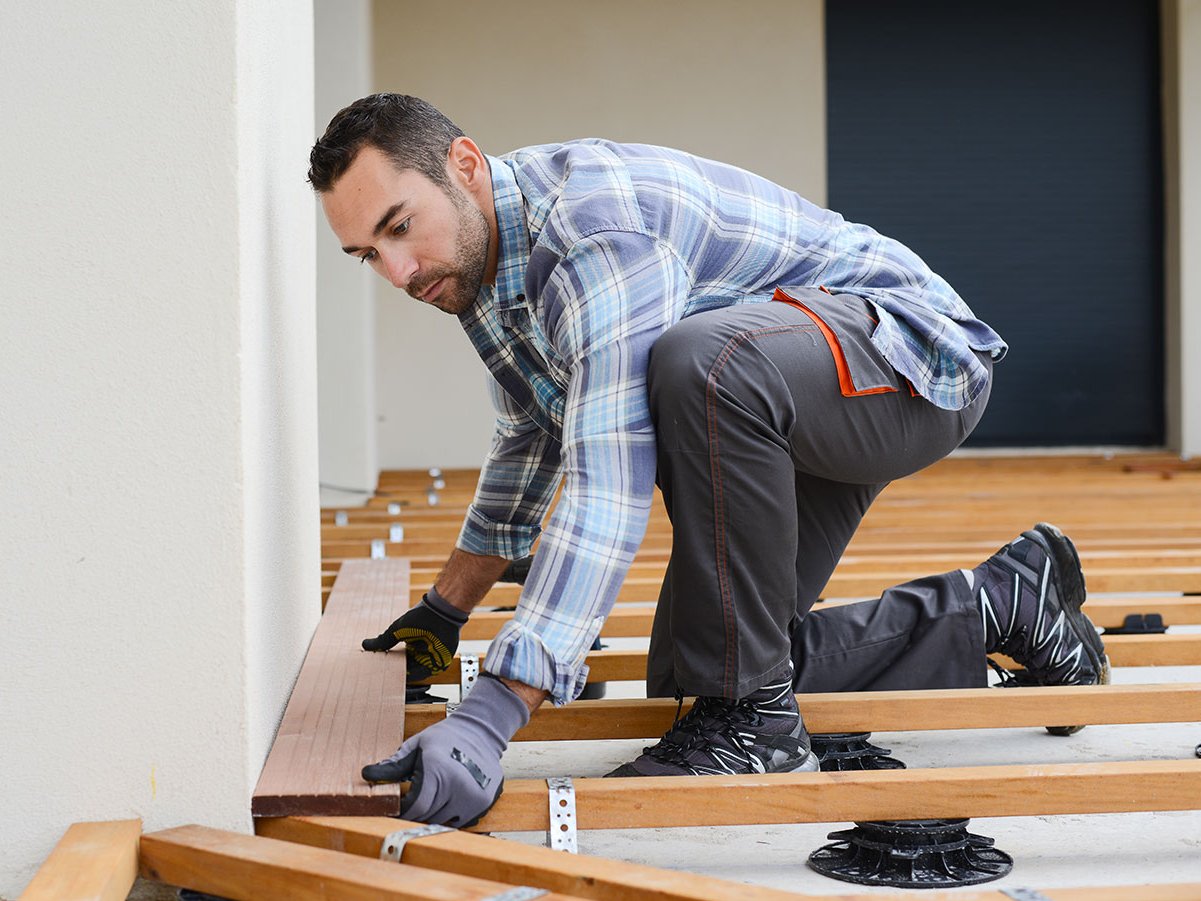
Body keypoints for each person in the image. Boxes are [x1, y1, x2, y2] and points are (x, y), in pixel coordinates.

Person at [308, 94, 1108, 828]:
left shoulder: (593, 233)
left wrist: (491, 715)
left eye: (400, 226)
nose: (398, 272)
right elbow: (529, 436)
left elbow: (606, 480)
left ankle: (755, 725)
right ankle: (1003, 603)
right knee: (718, 662)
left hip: (904, 357)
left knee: (698, 361)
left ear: (465, 166)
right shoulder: (476, 270)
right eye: (365, 253)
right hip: (784, 397)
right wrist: (447, 609)